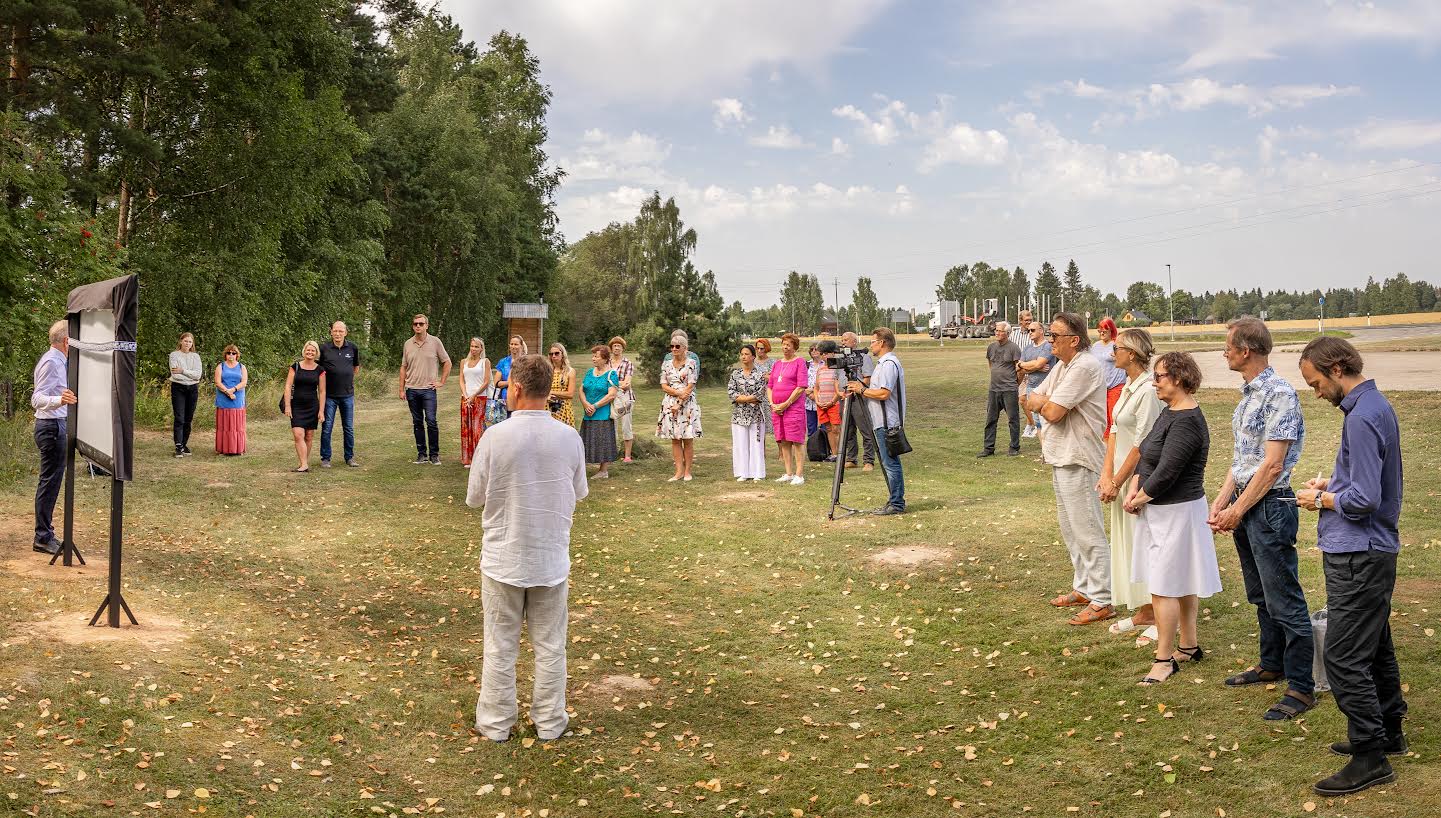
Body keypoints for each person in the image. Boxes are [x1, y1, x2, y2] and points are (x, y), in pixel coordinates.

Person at [1294, 338, 1406, 796]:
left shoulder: (1361, 417)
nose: (1316, 393)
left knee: (1342, 656)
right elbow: (1365, 480)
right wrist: (1334, 481)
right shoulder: (1375, 405)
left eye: (1316, 384)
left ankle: (1370, 756)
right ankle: (1389, 731)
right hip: (1370, 550)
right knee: (1374, 644)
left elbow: (1364, 500)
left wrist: (1320, 498)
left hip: (1360, 553)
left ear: (1337, 368)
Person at [465, 353, 587, 743]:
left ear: (515, 388)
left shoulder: (495, 437)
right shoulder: (569, 438)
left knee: (500, 645)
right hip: (549, 555)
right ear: (548, 388)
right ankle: (550, 721)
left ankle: (497, 723)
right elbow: (579, 492)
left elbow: (474, 497)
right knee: (551, 645)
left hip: (505, 555)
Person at [1209, 317, 1313, 721]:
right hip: (1247, 502)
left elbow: (1271, 467)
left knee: (1284, 598)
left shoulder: (1279, 395)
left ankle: (1301, 688)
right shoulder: (1248, 395)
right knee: (1260, 594)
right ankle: (1272, 663)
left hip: (1271, 505)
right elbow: (1244, 459)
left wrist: (1238, 509)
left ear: (1246, 350)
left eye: (1228, 346)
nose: (1224, 352)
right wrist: (1222, 499)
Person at [1123, 352, 1221, 684]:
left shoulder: (1189, 420)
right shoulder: (1169, 412)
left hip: (1178, 512)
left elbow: (1168, 472)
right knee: (1177, 581)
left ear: (1178, 378)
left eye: (1160, 376)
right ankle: (1189, 645)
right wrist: (1136, 483)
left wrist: (1140, 496)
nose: (1155, 382)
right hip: (1158, 510)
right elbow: (1148, 451)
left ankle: (1164, 659)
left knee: (1165, 585)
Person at [1024, 312, 1112, 625]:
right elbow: (1031, 398)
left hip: (1080, 455)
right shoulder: (1063, 365)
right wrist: (1042, 403)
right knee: (1070, 528)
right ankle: (1084, 587)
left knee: (1087, 528)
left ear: (1073, 340)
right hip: (1060, 454)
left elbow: (1054, 411)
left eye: (1055, 336)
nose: (1049, 341)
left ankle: (1103, 597)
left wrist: (1043, 403)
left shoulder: (1086, 365)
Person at [1099, 329, 1163, 643]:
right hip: (1121, 476)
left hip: (1140, 478)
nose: (1113, 351)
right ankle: (1144, 608)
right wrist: (1106, 474)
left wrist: (1119, 480)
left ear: (1133, 354)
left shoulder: (1149, 390)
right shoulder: (1127, 386)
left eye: (1118, 347)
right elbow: (1113, 431)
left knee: (1146, 544)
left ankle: (1161, 612)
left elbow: (1143, 444)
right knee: (1129, 544)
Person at [847, 327, 905, 515]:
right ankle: (893, 500)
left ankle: (896, 503)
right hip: (881, 419)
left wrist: (861, 391)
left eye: (873, 341)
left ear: (882, 343)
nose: (870, 345)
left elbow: (884, 393)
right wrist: (860, 386)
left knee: (890, 463)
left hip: (887, 421)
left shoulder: (888, 363)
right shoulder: (883, 363)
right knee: (889, 462)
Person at [30, 320, 76, 554]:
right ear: (67, 341)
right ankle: (43, 537)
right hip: (51, 427)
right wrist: (60, 400)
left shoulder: (60, 361)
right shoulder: (52, 362)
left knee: (51, 482)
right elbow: (36, 399)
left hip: (56, 425)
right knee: (49, 483)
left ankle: (45, 533)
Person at [399, 314, 451, 465]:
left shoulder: (435, 342)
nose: (418, 326)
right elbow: (403, 367)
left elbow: (447, 362)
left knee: (432, 421)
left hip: (428, 390)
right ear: (412, 326)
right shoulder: (408, 344)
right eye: (415, 324)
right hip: (412, 389)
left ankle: (434, 455)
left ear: (427, 326)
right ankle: (422, 454)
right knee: (417, 422)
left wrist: (441, 381)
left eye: (421, 324)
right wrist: (401, 389)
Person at [656, 331, 701, 481]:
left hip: (687, 404)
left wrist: (680, 402)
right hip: (670, 402)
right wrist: (676, 394)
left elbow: (690, 385)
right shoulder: (666, 364)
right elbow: (663, 385)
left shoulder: (691, 363)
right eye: (672, 346)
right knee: (675, 438)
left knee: (687, 438)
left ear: (684, 348)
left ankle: (688, 471)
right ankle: (678, 471)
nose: (674, 349)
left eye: (677, 346)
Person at [768, 332, 809, 486]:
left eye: (788, 345)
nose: (785, 347)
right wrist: (773, 404)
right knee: (784, 441)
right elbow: (770, 386)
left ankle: (799, 474)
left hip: (793, 408)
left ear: (794, 347)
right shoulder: (777, 364)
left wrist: (786, 404)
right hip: (777, 408)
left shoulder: (799, 362)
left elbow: (800, 387)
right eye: (783, 344)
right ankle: (788, 473)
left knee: (796, 440)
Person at [318, 320, 361, 468]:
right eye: (335, 331)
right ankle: (325, 458)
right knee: (327, 427)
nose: (337, 334)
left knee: (348, 427)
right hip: (329, 396)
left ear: (345, 332)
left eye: (340, 331)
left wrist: (345, 378)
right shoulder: (323, 348)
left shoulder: (353, 348)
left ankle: (349, 457)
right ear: (331, 332)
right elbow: (319, 371)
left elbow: (355, 368)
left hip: (347, 395)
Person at [980, 320, 1022, 458]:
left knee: (1013, 419)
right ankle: (988, 448)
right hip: (994, 389)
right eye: (996, 330)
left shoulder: (1014, 348)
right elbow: (991, 364)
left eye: (1000, 331)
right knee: (990, 419)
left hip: (1009, 389)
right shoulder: (991, 347)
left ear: (1007, 333)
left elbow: (1019, 369)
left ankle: (1014, 447)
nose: (997, 333)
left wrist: (1015, 384)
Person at [283, 340, 326, 473]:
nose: (310, 352)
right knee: (298, 434)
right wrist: (288, 406)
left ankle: (304, 463)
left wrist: (321, 411)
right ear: (304, 351)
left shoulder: (320, 370)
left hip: (312, 406)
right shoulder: (295, 366)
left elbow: (322, 391)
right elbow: (288, 386)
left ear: (316, 353)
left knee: (308, 436)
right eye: (308, 350)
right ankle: (304, 464)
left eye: (313, 350)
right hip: (296, 405)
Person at [727, 344, 767, 481]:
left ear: (753, 357)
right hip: (739, 415)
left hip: (755, 414)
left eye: (747, 354)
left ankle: (757, 473)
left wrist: (743, 398)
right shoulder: (735, 374)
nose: (744, 356)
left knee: (756, 444)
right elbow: (731, 393)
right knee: (740, 443)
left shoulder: (759, 374)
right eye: (742, 354)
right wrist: (747, 399)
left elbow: (760, 393)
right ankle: (743, 472)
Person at [840, 331, 878, 471]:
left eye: (846, 340)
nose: (843, 342)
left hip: (858, 397)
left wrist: (859, 389)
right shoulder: (841, 357)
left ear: (854, 342)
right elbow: (838, 378)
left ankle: (869, 460)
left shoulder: (863, 357)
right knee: (848, 430)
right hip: (844, 397)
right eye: (842, 340)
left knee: (865, 429)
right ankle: (851, 458)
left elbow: (867, 377)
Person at [579, 345, 619, 479]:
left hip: (602, 414)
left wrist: (594, 406)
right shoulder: (590, 372)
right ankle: (582, 468)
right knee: (586, 440)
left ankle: (603, 471)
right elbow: (581, 390)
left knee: (603, 441)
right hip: (588, 413)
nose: (593, 358)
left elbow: (611, 395)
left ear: (605, 359)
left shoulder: (611, 374)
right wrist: (586, 404)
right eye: (593, 356)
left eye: (596, 356)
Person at [1017, 322, 1055, 440]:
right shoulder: (1027, 348)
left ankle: (1050, 451)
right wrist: (1033, 366)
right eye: (1028, 331)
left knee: (1048, 420)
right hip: (1031, 388)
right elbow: (1018, 367)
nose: (1030, 333)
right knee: (1037, 422)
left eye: (1032, 330)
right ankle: (1043, 451)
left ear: (1041, 330)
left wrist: (1028, 366)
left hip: (1046, 389)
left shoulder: (1047, 346)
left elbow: (1039, 363)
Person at [1092, 317, 1128, 440]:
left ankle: (1118, 444)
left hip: (1115, 386)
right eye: (1099, 330)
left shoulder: (1116, 345)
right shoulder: (1095, 346)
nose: (1102, 332)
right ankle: (1107, 447)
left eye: (1105, 330)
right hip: (1101, 387)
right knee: (1104, 418)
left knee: (1115, 417)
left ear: (1111, 330)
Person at [168, 332, 202, 458]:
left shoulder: (196, 357)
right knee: (179, 418)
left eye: (190, 342)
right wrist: (188, 373)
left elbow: (198, 375)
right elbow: (175, 375)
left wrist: (183, 370)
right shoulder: (174, 355)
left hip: (193, 389)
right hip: (178, 388)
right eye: (186, 341)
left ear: (192, 344)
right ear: (181, 341)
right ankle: (178, 446)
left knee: (188, 418)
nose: (187, 343)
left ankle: (184, 444)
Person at [460, 337, 492, 468]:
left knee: (477, 428)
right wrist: (466, 395)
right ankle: (467, 458)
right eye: (472, 346)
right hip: (466, 398)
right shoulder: (464, 362)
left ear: (481, 349)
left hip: (479, 398)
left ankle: (479, 458)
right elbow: (462, 380)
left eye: (476, 347)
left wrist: (474, 395)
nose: (473, 349)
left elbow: (486, 381)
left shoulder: (485, 362)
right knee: (466, 428)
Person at [812, 340, 847, 461]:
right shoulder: (820, 369)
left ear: (833, 353)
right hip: (821, 404)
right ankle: (834, 453)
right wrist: (817, 400)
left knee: (836, 429)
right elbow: (816, 387)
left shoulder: (838, 368)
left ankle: (840, 454)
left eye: (827, 353)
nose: (825, 356)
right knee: (828, 429)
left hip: (834, 403)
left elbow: (840, 388)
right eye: (822, 353)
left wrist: (832, 401)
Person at [214, 344, 248, 455]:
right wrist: (227, 392)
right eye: (229, 353)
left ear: (237, 355)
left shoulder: (242, 367)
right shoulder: (221, 366)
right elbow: (218, 382)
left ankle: (237, 449)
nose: (231, 355)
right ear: (225, 355)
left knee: (236, 425)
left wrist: (233, 390)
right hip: (223, 398)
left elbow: (244, 382)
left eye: (233, 353)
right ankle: (224, 449)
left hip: (237, 398)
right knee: (224, 425)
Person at [609, 337, 636, 463]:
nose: (616, 348)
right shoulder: (607, 363)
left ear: (623, 348)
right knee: (611, 425)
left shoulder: (627, 363)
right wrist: (618, 383)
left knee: (626, 426)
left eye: (619, 345)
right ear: (611, 348)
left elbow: (627, 384)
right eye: (614, 345)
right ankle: (612, 453)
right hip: (610, 398)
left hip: (626, 398)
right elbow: (603, 380)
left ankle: (627, 456)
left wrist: (613, 382)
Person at [492, 335, 526, 425]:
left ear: (521, 346)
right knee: (505, 426)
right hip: (504, 400)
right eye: (512, 344)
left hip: (521, 399)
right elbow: (496, 383)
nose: (513, 346)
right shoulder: (503, 362)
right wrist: (511, 383)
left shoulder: (526, 362)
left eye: (516, 344)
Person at [547, 343, 577, 428]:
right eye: (551, 354)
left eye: (556, 353)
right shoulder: (547, 370)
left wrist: (551, 392)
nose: (553, 356)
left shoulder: (570, 371)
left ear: (562, 354)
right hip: (548, 408)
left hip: (563, 408)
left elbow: (570, 394)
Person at [804, 343, 822, 438]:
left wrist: (815, 393)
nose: (814, 351)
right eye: (812, 349)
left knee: (824, 427)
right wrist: (807, 392)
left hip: (822, 400)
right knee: (811, 428)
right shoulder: (806, 364)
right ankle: (813, 449)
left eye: (816, 349)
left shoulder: (825, 364)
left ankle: (825, 449)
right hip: (808, 401)